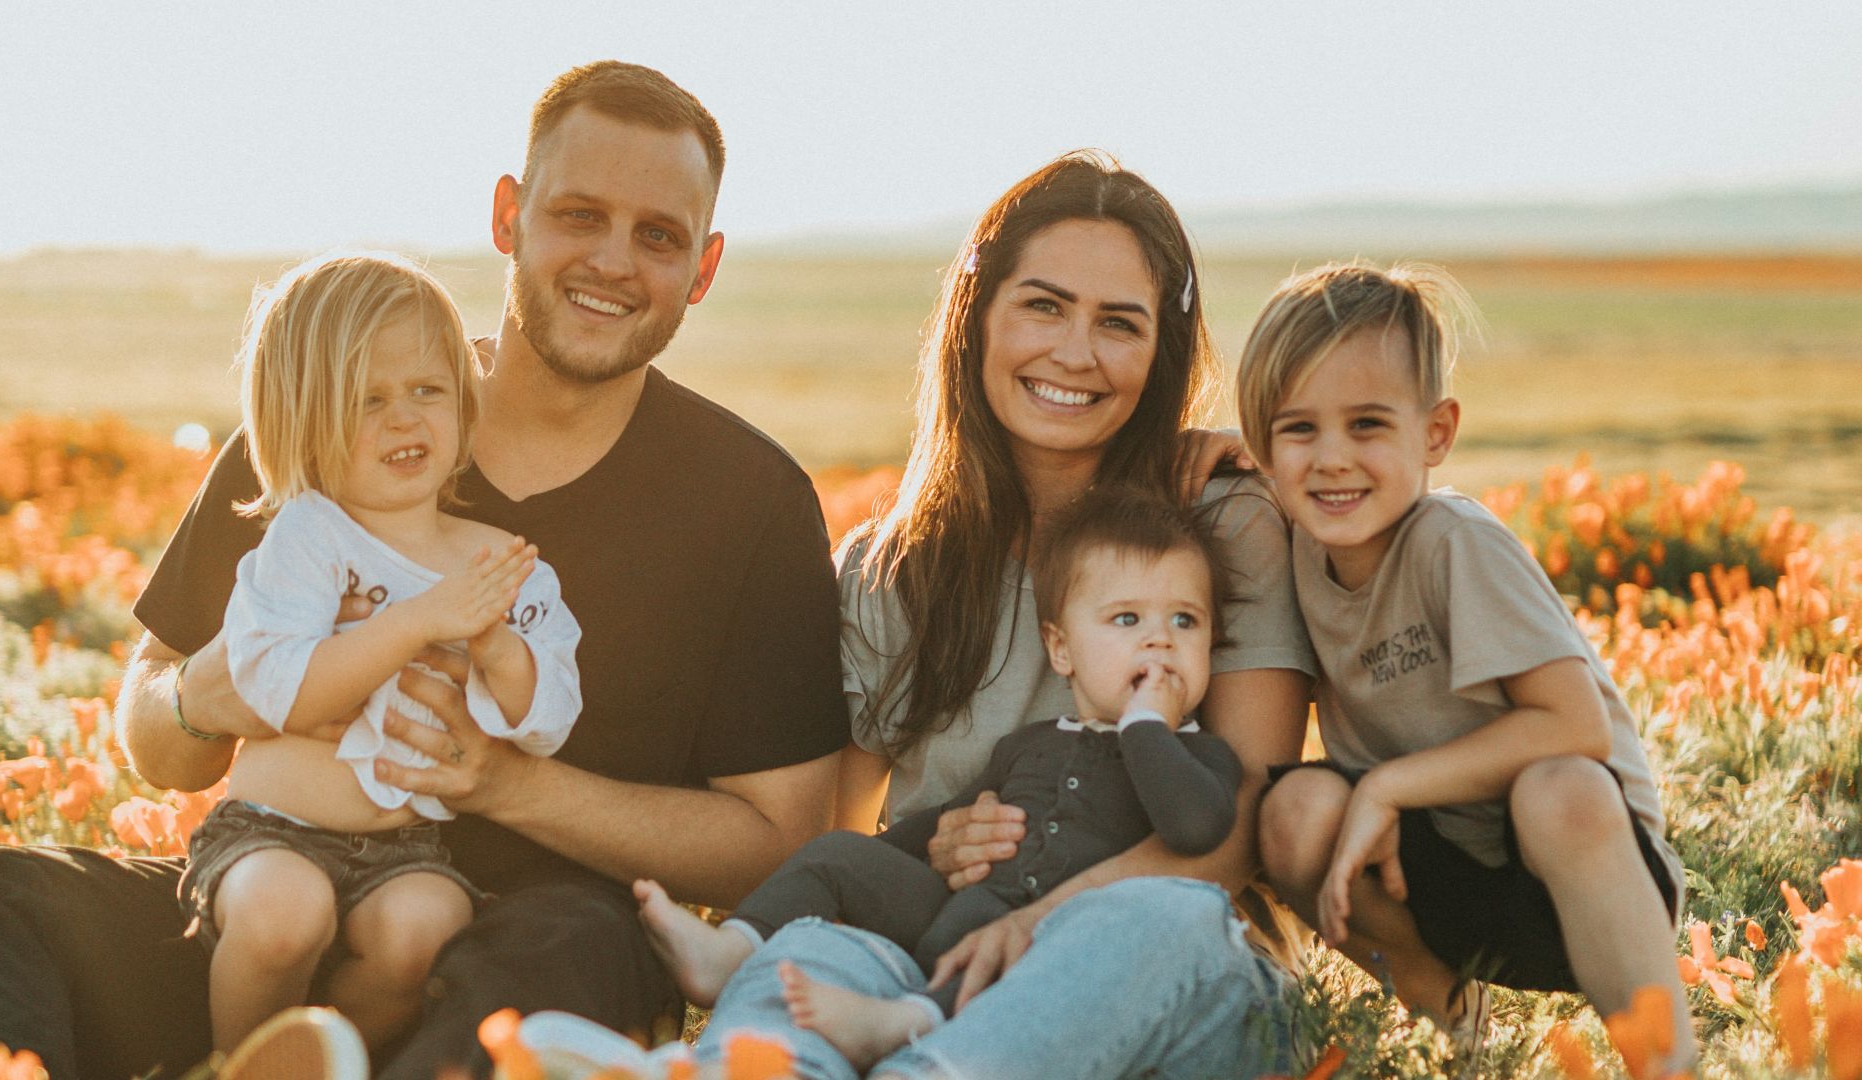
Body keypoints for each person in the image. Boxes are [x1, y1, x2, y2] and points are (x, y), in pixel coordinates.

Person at [0, 61, 848, 1080]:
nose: (612, 261)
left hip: (532, 935)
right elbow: (155, 737)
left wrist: (504, 783)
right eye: (578, 214)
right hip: (274, 897)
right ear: (509, 215)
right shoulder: (337, 415)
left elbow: (777, 838)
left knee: (562, 958)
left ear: (706, 266)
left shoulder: (750, 501)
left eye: (658, 236)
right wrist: (220, 690)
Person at [695, 151, 1317, 1080]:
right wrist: (937, 847)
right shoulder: (886, 569)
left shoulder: (1223, 527)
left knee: (1161, 921)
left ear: (1161, 354)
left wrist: (1035, 921)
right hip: (938, 957)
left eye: (1119, 323)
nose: (1075, 352)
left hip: (1158, 968)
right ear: (976, 316)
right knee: (810, 955)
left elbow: (1235, 836)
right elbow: (847, 827)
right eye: (1043, 305)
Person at [1239, 261, 1694, 1066]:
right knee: (1292, 811)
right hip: (1436, 879)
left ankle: (1666, 1061)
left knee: (1561, 788)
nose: (1332, 459)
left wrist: (1388, 784)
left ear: (1437, 434)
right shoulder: (1296, 552)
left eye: (1369, 425)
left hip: (1577, 876)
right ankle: (1453, 1031)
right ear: (1263, 447)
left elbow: (1575, 725)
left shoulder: (1455, 544)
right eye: (1299, 429)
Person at [637, 487, 1245, 1067]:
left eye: (1185, 622)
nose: (1160, 641)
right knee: (838, 855)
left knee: (1014, 961)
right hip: (954, 914)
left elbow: (1194, 826)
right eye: (1128, 620)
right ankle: (733, 950)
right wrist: (895, 855)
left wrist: (1147, 728)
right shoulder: (1029, 745)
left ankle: (906, 1024)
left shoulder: (1203, 759)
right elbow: (939, 824)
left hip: (1057, 950)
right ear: (1062, 650)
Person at [181, 251, 583, 1053]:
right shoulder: (307, 536)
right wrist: (418, 620)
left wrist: (497, 648)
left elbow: (548, 719)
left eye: (427, 392)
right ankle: (237, 1067)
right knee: (282, 916)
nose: (404, 420)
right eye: (367, 401)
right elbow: (279, 692)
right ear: (302, 421)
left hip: (406, 846)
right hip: (270, 829)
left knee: (427, 927)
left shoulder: (498, 558)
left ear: (464, 406)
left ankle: (333, 1062)